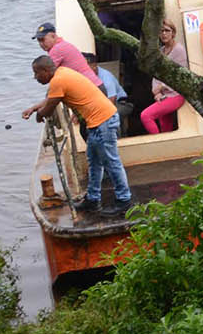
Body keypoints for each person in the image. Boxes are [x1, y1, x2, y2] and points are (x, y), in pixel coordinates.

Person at [23, 55, 133, 215]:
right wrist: (34, 108)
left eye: (36, 73)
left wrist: (39, 114)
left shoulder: (58, 80)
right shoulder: (62, 72)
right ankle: (93, 199)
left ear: (45, 71)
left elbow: (48, 108)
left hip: (104, 121)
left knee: (111, 162)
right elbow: (51, 98)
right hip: (97, 122)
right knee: (94, 162)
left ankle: (124, 201)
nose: (35, 77)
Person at [140, 18, 189, 134]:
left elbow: (179, 76)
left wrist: (161, 87)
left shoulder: (179, 50)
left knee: (146, 116)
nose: (164, 34)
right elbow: (156, 74)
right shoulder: (161, 51)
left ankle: (157, 141)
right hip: (164, 95)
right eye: (161, 31)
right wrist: (157, 92)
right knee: (165, 127)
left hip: (176, 94)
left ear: (173, 33)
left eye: (167, 30)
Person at [33, 22, 103, 87]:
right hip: (95, 84)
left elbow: (47, 75)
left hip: (90, 86)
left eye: (43, 40)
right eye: (39, 41)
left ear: (53, 36)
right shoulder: (63, 44)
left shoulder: (56, 50)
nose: (41, 44)